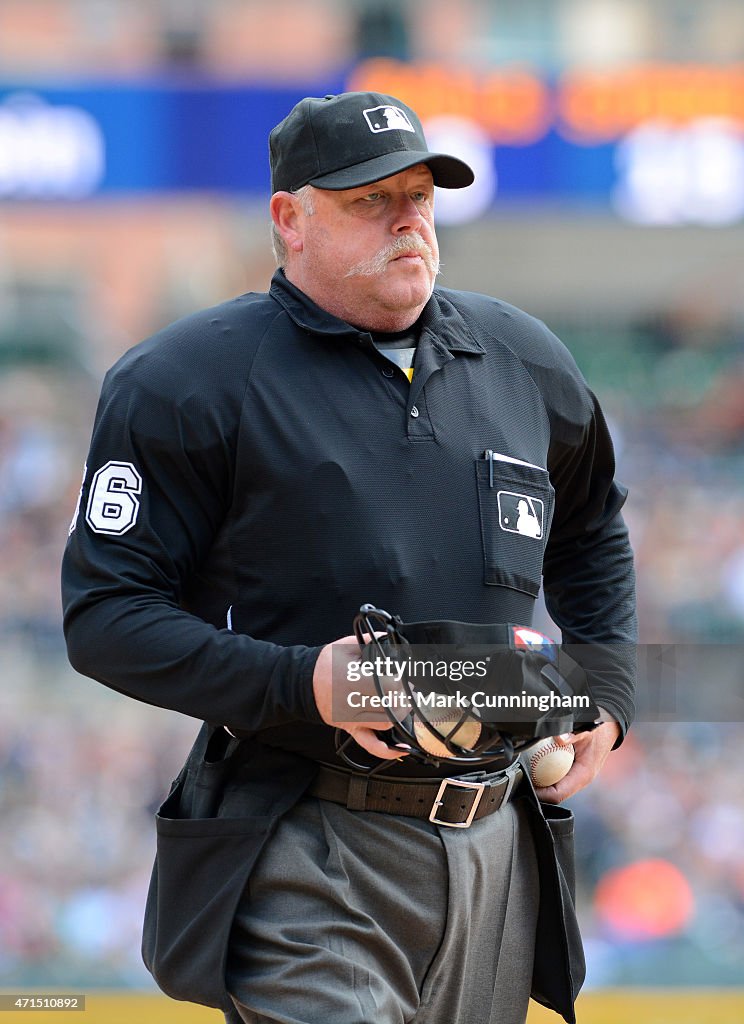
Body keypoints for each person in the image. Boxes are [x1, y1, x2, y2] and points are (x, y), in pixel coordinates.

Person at [61, 91, 636, 1024]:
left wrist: (605, 696)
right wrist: (304, 683)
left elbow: (594, 530)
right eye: (371, 198)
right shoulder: (186, 379)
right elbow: (106, 619)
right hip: (308, 837)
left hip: (498, 841)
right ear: (290, 218)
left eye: (421, 194)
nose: (408, 217)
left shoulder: (524, 359)